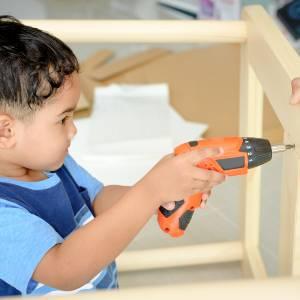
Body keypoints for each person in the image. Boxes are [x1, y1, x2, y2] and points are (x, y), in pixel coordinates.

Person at [0, 15, 225, 296]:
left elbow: (98, 199)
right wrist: (149, 192)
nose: (74, 129)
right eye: (62, 119)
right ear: (5, 131)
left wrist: (159, 193)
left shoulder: (53, 163)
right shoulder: (3, 212)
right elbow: (64, 270)